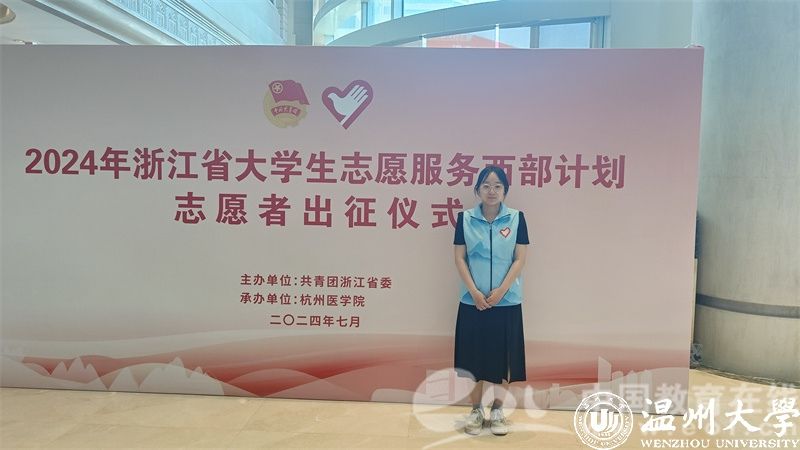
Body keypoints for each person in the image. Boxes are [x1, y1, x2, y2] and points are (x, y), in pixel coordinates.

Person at [453, 165, 529, 436]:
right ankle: (476, 410)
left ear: (505, 191)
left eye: (497, 186)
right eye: (486, 185)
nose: (492, 191)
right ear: (477, 190)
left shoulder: (517, 218)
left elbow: (520, 258)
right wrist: (474, 292)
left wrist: (501, 291)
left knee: (504, 360)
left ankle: (497, 410)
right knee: (473, 360)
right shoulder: (464, 219)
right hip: (472, 301)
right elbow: (459, 258)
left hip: (506, 302)